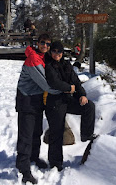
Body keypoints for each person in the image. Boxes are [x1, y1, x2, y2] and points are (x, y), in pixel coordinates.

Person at [15, 33, 61, 184]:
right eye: (43, 43)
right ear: (37, 43)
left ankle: (33, 157)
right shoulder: (33, 59)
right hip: (26, 100)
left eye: (48, 44)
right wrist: (67, 90)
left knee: (36, 132)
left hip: (36, 100)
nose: (46, 46)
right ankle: (24, 169)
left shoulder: (42, 57)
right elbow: (46, 84)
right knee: (26, 136)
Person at [45, 41, 96, 171]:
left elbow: (76, 82)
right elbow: (54, 82)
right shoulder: (48, 65)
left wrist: (82, 95)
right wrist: (68, 88)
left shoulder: (66, 65)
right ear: (51, 52)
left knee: (89, 106)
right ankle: (55, 163)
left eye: (59, 51)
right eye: (55, 51)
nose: (57, 54)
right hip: (55, 102)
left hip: (67, 100)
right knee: (57, 131)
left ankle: (86, 135)